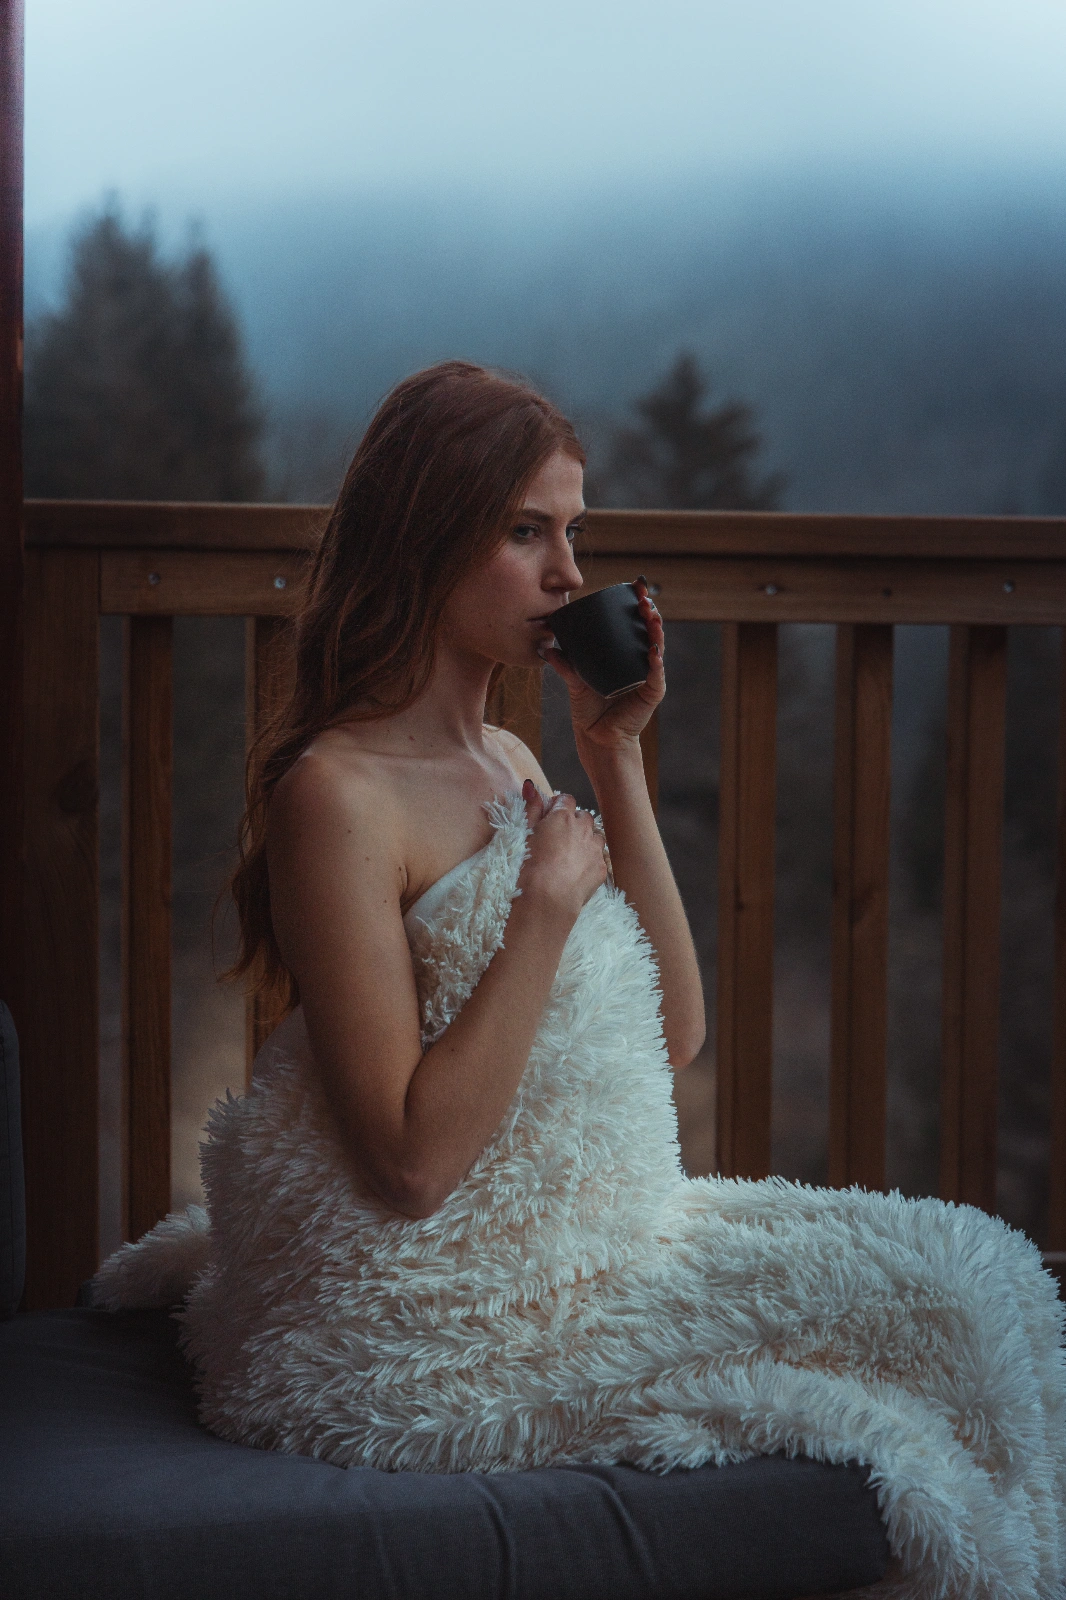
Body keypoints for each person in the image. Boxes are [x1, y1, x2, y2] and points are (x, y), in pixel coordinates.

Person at [96, 362, 1064, 1600]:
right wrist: (543, 912)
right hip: (437, 1305)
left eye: (573, 532)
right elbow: (408, 1163)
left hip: (587, 1236)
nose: (567, 573)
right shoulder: (337, 796)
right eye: (525, 531)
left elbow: (675, 1027)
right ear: (425, 536)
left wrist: (614, 754)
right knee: (951, 1309)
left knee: (991, 1286)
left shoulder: (509, 754)